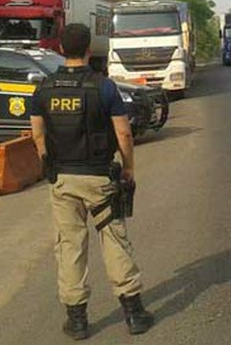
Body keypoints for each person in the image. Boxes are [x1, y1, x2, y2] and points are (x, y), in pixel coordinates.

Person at [30, 24, 154, 340]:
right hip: (99, 177)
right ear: (88, 49)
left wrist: (49, 163)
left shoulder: (44, 88)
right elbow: (124, 133)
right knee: (114, 241)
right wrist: (128, 168)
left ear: (60, 47)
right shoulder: (105, 87)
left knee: (70, 247)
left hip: (62, 180)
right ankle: (135, 315)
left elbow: (38, 134)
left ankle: (78, 321)